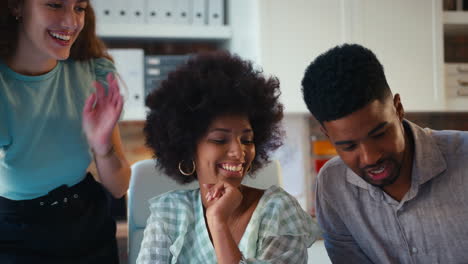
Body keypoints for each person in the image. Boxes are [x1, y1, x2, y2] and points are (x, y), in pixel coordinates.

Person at [137, 51, 319, 263]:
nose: (238, 152)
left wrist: (218, 221)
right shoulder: (169, 213)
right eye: (220, 140)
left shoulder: (279, 210)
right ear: (188, 147)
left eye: (247, 140)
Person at [301, 43, 468, 263]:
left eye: (379, 134)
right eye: (349, 146)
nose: (371, 157)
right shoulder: (333, 185)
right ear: (328, 135)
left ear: (398, 108)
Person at [0, 0, 130, 263]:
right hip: (15, 234)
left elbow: (119, 187)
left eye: (79, 8)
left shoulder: (93, 72)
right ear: (16, 7)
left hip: (88, 224)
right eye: (55, 4)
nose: (71, 22)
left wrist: (103, 146)